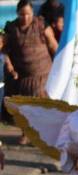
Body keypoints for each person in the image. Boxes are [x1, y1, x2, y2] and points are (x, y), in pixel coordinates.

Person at [3, 0, 57, 130]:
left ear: (32, 12)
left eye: (28, 14)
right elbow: (4, 50)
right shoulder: (11, 29)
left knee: (42, 109)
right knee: (26, 110)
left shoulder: (42, 25)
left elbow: (53, 46)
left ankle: (44, 135)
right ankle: (26, 134)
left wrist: (60, 65)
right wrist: (9, 65)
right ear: (17, 13)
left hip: (43, 75)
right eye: (22, 14)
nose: (25, 17)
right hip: (23, 78)